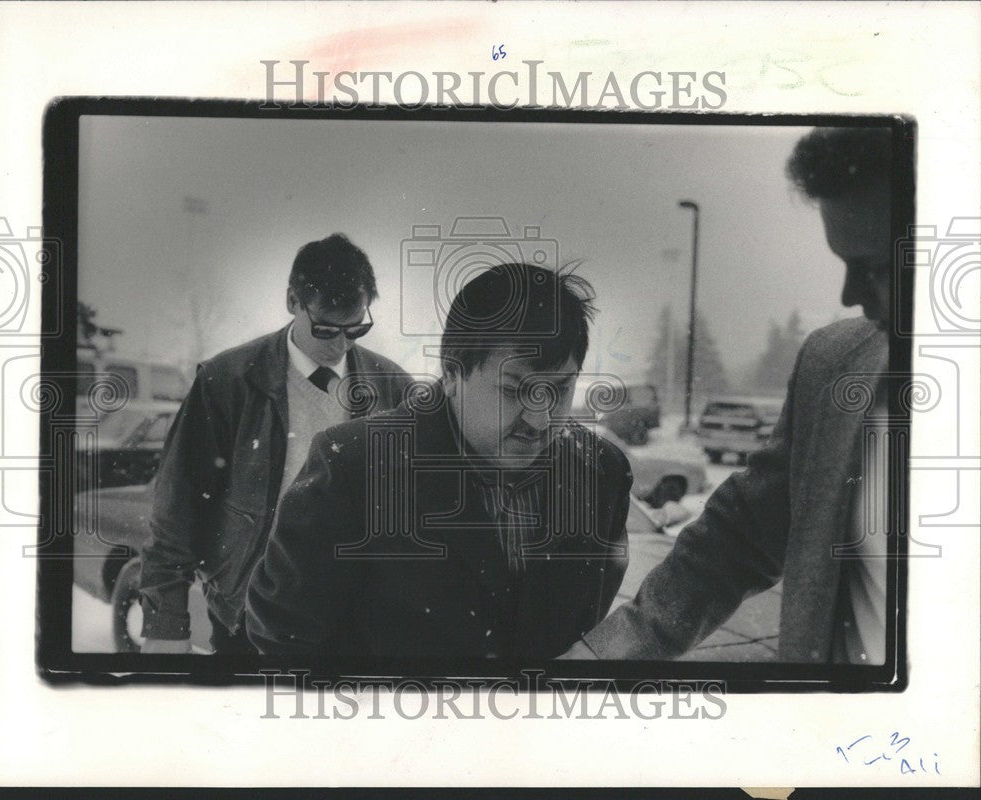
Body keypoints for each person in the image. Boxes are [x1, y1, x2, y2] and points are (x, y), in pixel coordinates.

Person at [561, 126, 896, 664]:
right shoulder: (832, 367)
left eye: (876, 268)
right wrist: (605, 654)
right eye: (844, 264)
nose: (850, 295)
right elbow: (737, 538)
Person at [246, 263, 632, 658]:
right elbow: (285, 639)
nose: (540, 418)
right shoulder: (356, 467)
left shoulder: (602, 472)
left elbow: (586, 624)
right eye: (515, 389)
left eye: (560, 388)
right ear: (451, 374)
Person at [139, 234, 413, 653]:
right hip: (249, 615)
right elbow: (177, 503)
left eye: (355, 328)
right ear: (292, 301)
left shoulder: (393, 388)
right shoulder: (227, 381)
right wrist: (165, 621)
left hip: (355, 619)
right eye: (325, 328)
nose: (341, 344)